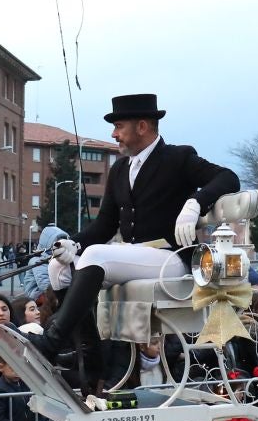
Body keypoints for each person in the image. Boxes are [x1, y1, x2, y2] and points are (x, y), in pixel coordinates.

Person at [36, 93, 240, 380]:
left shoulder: (178, 157)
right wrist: (73, 244)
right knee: (58, 267)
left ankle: (50, 343)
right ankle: (89, 357)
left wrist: (196, 202)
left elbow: (229, 177)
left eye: (119, 126)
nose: (113, 134)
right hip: (132, 258)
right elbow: (104, 226)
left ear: (142, 126)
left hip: (170, 259)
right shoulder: (120, 169)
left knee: (95, 255)